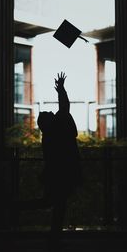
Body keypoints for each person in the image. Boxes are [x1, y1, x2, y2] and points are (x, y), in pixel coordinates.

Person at [15, 72, 82, 235]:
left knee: (52, 202)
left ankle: (16, 209)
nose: (54, 113)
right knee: (57, 203)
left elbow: (64, 108)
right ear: (49, 121)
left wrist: (61, 91)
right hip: (62, 172)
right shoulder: (58, 130)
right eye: (51, 115)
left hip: (57, 173)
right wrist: (61, 90)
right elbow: (64, 108)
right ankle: (54, 232)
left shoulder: (49, 136)